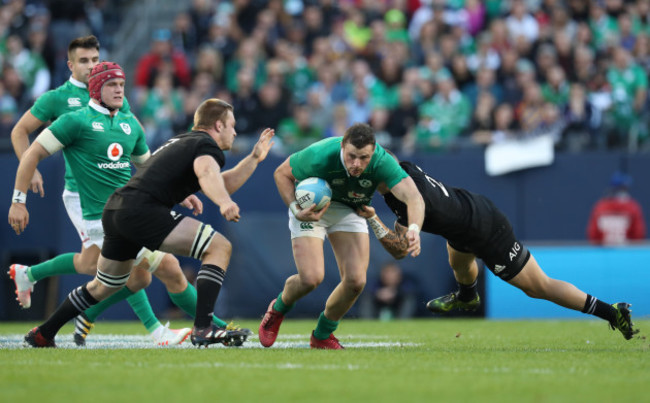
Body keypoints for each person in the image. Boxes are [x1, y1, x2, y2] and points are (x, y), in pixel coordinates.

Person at [16, 98, 274, 348]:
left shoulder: (183, 141)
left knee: (102, 285)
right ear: (218, 125)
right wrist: (224, 203)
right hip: (142, 211)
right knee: (219, 247)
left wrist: (253, 158)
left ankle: (44, 332)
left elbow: (221, 183)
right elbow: (208, 174)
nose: (236, 132)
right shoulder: (206, 144)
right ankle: (204, 327)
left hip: (116, 210)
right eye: (232, 125)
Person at [7, 37, 202, 346]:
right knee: (140, 270)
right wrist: (28, 173)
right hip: (81, 194)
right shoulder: (58, 100)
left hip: (120, 193)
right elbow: (20, 132)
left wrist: (174, 190)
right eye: (84, 60)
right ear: (70, 65)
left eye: (95, 58)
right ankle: (158, 330)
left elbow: (139, 152)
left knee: (96, 266)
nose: (91, 65)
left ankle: (31, 278)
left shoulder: (113, 95)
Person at [356, 156, 639, 340]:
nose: (360, 178)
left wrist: (374, 219)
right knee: (457, 259)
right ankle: (467, 295)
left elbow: (399, 249)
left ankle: (611, 312)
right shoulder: (399, 169)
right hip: (465, 216)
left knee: (539, 286)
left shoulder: (405, 200)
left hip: (485, 228)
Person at [258, 123, 425, 350]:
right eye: (351, 156)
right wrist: (296, 209)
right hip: (312, 207)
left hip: (350, 209)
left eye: (364, 158)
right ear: (342, 146)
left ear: (373, 151)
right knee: (311, 278)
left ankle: (322, 335)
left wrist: (414, 228)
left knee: (356, 281)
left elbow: (414, 197)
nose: (357, 164)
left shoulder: (382, 160)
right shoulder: (321, 154)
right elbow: (281, 173)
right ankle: (277, 309)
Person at [587, 172, 646, 245]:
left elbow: (593, 235)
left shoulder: (600, 206)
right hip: (626, 254)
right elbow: (638, 235)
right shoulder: (632, 207)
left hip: (603, 253)